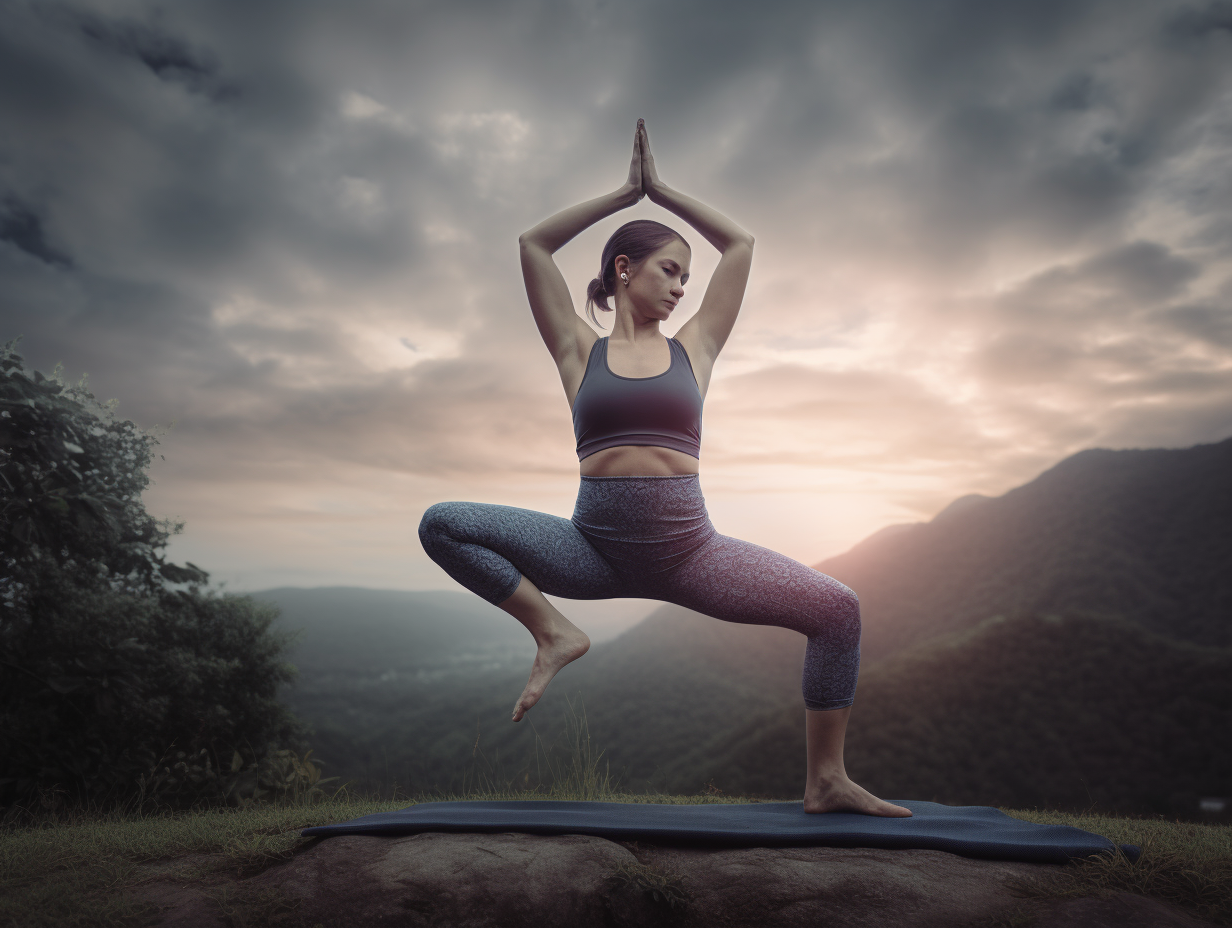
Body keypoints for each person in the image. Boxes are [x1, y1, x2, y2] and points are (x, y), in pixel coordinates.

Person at [419, 119, 911, 816]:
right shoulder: (575, 350)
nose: (683, 286)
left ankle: (825, 778)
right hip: (592, 551)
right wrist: (624, 198)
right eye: (670, 269)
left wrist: (663, 191)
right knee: (443, 525)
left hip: (691, 553)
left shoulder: (697, 349)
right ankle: (553, 631)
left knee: (838, 609)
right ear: (625, 270)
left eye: (687, 274)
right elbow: (533, 244)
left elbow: (741, 243)